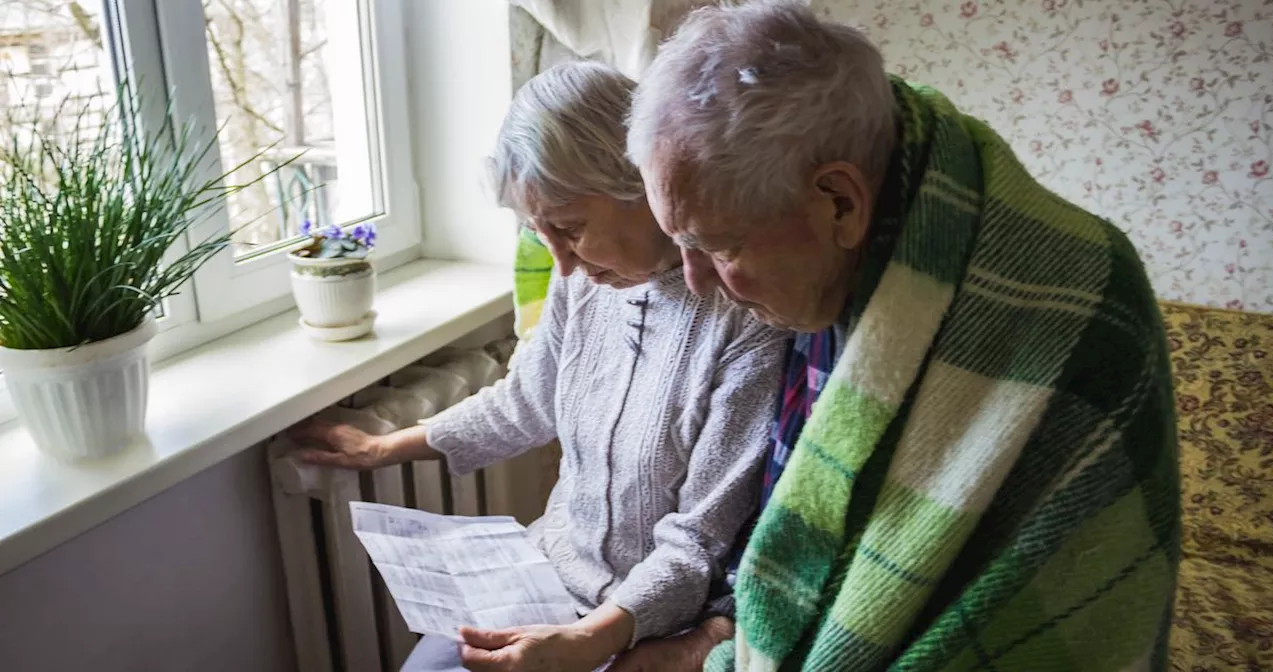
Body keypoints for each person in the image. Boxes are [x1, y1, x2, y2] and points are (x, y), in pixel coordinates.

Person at [622, 3, 1181, 671]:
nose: (698, 280)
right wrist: (711, 641)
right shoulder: (836, 267)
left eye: (719, 246)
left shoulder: (1084, 302)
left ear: (841, 203)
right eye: (679, 245)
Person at [291, 61, 787, 672]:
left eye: (571, 229)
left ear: (644, 186)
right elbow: (524, 402)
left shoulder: (746, 316)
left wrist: (590, 641)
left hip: (649, 621)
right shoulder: (583, 283)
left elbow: (699, 542)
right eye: (539, 232)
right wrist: (380, 449)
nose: (563, 263)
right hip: (543, 577)